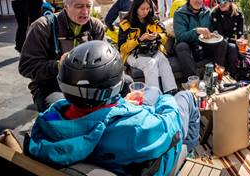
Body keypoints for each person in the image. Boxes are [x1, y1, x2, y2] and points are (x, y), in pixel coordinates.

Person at [27, 40, 199, 175]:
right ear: (118, 84)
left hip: (107, 132)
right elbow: (171, 123)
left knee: (153, 90)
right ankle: (188, 153)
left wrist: (123, 106)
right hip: (150, 159)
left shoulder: (49, 119)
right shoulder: (136, 128)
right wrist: (167, 98)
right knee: (185, 97)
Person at [19, 0, 108, 112]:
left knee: (125, 83)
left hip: (90, 81)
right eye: (79, 6)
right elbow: (26, 67)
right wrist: (58, 66)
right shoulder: (42, 27)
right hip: (52, 85)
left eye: (88, 6)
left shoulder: (95, 26)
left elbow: (106, 58)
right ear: (65, 6)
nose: (85, 11)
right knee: (62, 111)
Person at [118, 0, 177, 93]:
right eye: (142, 9)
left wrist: (157, 36)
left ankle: (171, 91)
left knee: (163, 60)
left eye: (148, 8)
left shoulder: (154, 20)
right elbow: (122, 48)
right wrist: (139, 39)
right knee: (150, 63)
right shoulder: (125, 24)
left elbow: (164, 36)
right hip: (133, 54)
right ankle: (153, 94)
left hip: (152, 50)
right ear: (135, 8)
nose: (145, 12)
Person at [173, 0, 228, 82]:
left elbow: (213, 30)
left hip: (204, 46)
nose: (198, 0)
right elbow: (180, 36)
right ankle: (194, 81)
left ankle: (215, 77)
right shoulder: (179, 13)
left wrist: (214, 33)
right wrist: (196, 31)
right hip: (189, 48)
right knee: (181, 46)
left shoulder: (208, 12)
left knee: (222, 42)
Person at [211, 0, 244, 73]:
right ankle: (223, 73)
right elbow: (219, 34)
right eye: (219, 0)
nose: (221, 3)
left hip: (234, 41)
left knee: (240, 51)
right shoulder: (215, 13)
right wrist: (234, 41)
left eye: (224, 0)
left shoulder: (238, 14)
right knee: (232, 48)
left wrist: (239, 41)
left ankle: (235, 74)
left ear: (230, 1)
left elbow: (240, 33)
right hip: (220, 42)